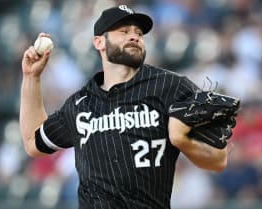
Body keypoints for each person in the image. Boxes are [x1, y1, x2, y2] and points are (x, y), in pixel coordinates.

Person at [20, 5, 230, 209]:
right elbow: (33, 142)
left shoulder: (172, 88)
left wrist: (182, 140)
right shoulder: (80, 104)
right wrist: (32, 77)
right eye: (124, 31)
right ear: (99, 42)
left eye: (138, 32)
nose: (134, 36)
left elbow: (218, 159)